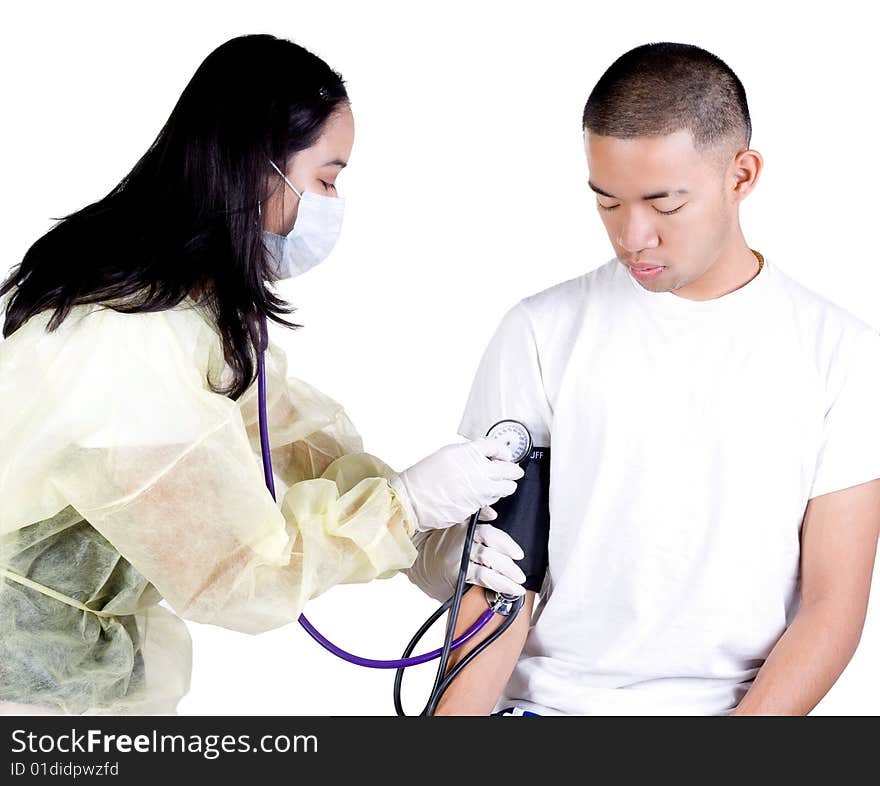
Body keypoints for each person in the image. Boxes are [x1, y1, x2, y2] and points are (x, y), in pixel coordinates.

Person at [0, 34, 526, 716]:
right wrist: (405, 508)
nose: (334, 203)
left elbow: (287, 441)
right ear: (257, 169)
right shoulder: (123, 340)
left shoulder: (184, 305)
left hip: (68, 671)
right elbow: (235, 572)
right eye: (327, 178)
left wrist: (423, 533)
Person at [404, 42, 880, 716]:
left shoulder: (842, 355)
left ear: (741, 175)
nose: (633, 237)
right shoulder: (541, 333)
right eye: (608, 204)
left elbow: (833, 605)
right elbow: (500, 585)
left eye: (664, 204)